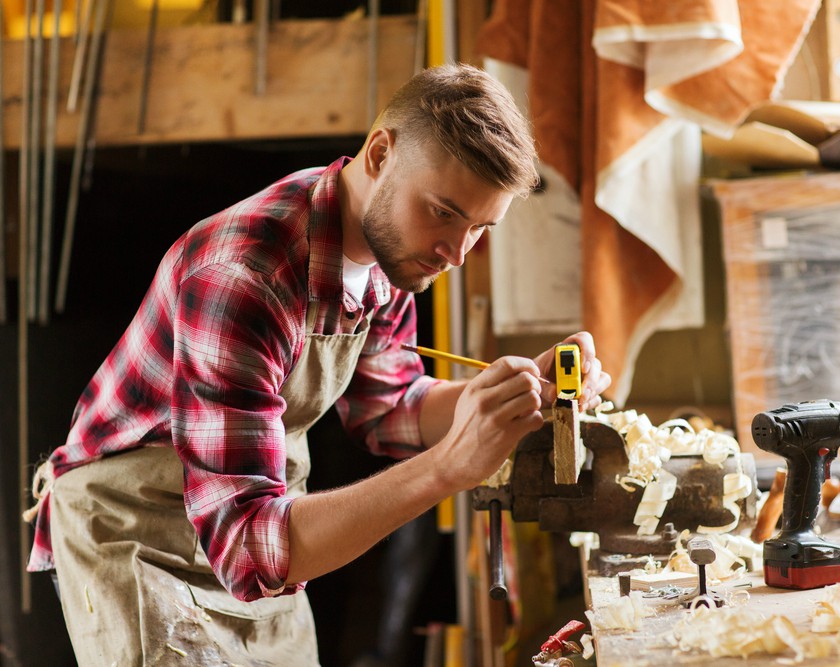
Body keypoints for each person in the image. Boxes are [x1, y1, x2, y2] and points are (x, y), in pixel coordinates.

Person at [23, 63, 612, 665]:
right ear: (381, 153)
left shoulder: (391, 250)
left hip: (258, 520)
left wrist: (508, 399)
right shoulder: (244, 277)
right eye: (444, 213)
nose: (456, 254)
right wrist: (448, 469)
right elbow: (250, 549)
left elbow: (389, 407)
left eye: (480, 228)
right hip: (146, 537)